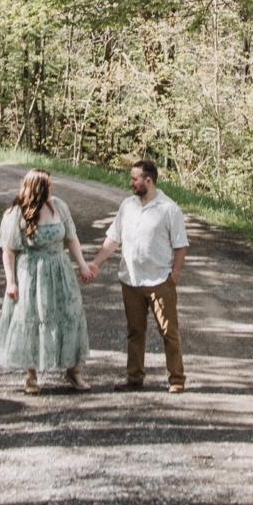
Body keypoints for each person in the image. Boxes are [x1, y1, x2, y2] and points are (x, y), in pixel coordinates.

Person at [87, 158, 190, 393]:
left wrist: (174, 275)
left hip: (160, 281)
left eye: (135, 179)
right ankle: (134, 378)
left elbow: (181, 245)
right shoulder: (127, 205)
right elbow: (113, 239)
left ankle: (176, 379)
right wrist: (96, 263)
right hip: (131, 280)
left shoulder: (169, 209)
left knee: (169, 332)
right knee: (135, 332)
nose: (131, 182)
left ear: (148, 180)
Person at [0, 169, 93, 394]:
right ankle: (31, 375)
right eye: (48, 185)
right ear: (38, 188)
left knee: (69, 314)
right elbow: (8, 251)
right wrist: (11, 282)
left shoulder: (59, 207)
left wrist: (83, 265)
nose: (52, 189)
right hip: (32, 273)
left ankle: (74, 371)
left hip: (60, 269)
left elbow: (71, 238)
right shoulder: (16, 213)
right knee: (32, 319)